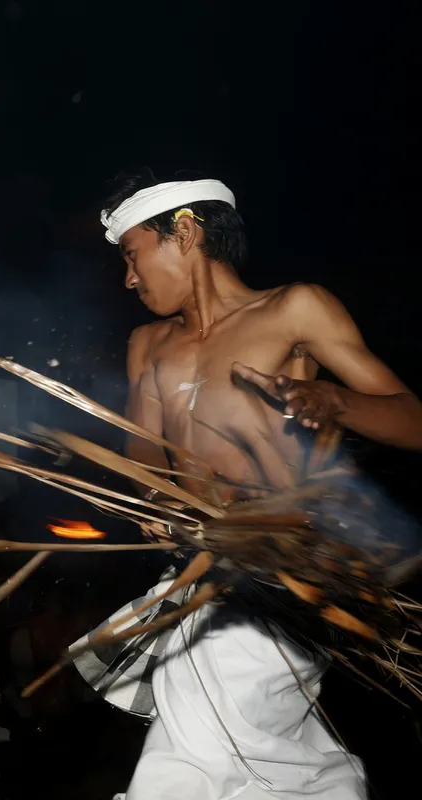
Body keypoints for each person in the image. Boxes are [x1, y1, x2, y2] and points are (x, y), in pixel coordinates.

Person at [82, 172, 422, 799]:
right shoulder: (148, 345)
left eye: (132, 256)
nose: (128, 279)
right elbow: (141, 452)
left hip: (285, 574)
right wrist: (152, 498)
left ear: (184, 233)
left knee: (196, 749)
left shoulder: (294, 310)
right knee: (253, 756)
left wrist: (335, 401)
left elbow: (411, 418)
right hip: (197, 581)